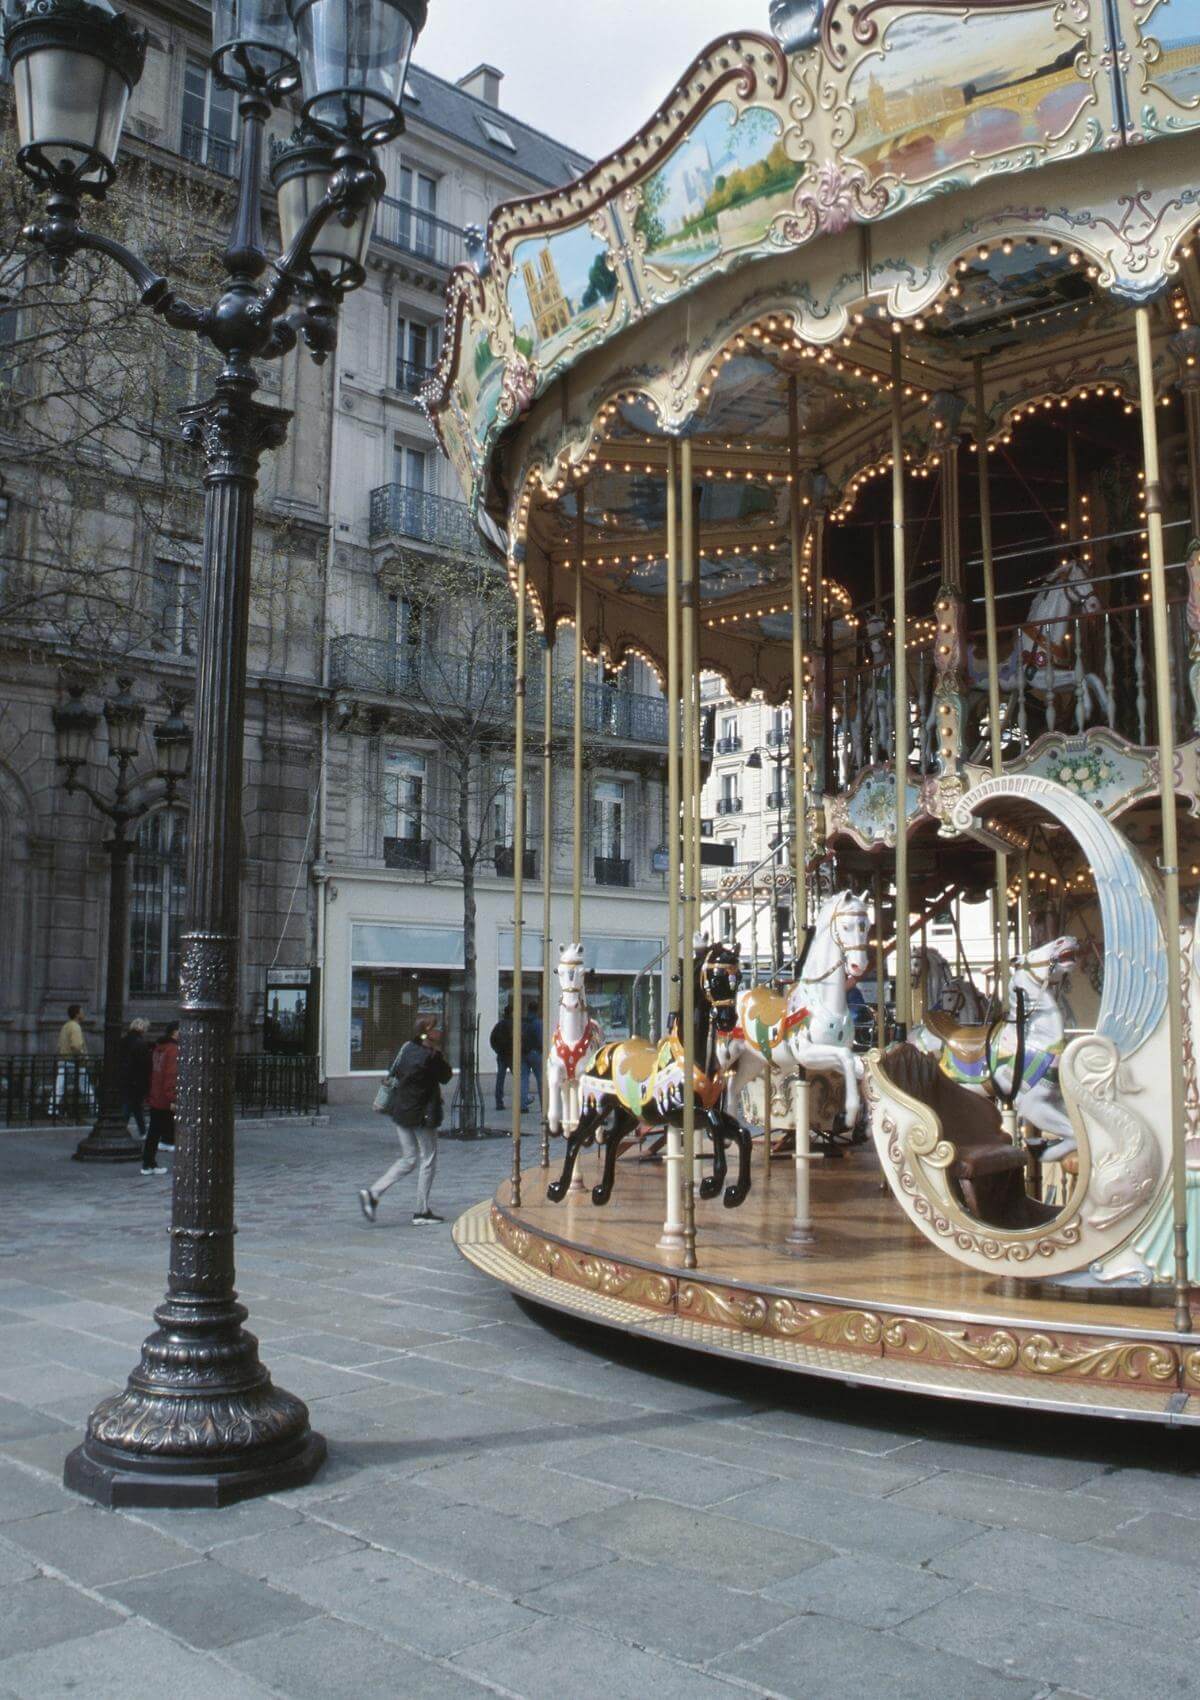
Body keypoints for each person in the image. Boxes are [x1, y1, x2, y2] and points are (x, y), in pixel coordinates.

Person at [359, 1017, 452, 1225]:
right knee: (428, 1159)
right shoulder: (430, 1057)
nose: (439, 1031)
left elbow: (394, 1069)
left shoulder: (407, 1047)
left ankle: (373, 1193)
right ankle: (421, 1211)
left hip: (401, 1110)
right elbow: (446, 1076)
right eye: (434, 1029)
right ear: (425, 1034)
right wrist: (437, 1052)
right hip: (421, 1114)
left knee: (409, 1159)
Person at [117, 1019, 157, 1175]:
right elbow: (145, 1064)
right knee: (130, 1104)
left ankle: (142, 1130)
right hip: (135, 1079)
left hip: (125, 1078)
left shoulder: (124, 1040)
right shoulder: (139, 1043)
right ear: (142, 1029)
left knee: (135, 1105)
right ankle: (122, 1128)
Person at [145, 1021, 180, 1170]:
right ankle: (149, 1163)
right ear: (175, 1032)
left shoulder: (159, 1049)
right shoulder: (173, 1050)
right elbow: (171, 1075)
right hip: (165, 1097)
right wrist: (172, 1097)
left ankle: (148, 1162)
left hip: (156, 1095)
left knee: (154, 1131)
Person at [55, 1003, 88, 1117]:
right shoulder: (75, 1027)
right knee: (85, 1085)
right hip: (74, 1061)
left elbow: (59, 1044)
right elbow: (76, 1045)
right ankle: (95, 1108)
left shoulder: (65, 1026)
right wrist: (83, 1055)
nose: (84, 1014)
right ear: (77, 1014)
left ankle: (52, 1108)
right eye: (82, 1011)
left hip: (64, 1058)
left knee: (60, 1085)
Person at [489, 1000, 513, 1111]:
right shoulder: (513, 1024)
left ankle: (499, 1101)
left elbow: (492, 1039)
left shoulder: (499, 1025)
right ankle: (522, 1100)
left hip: (502, 1055)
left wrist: (497, 1050)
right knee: (520, 1078)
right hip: (511, 1055)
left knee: (500, 1078)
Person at [519, 1003, 542, 1113]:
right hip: (535, 1053)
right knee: (540, 1079)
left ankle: (523, 1105)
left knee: (523, 1079)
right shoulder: (538, 1023)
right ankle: (544, 1105)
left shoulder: (523, 1022)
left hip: (523, 1053)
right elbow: (541, 1039)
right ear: (537, 1010)